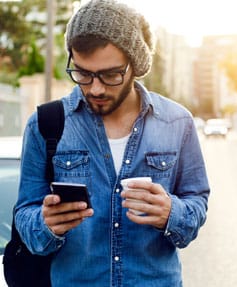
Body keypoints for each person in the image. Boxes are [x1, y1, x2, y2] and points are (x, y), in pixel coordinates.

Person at [15, 0, 210, 286]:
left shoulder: (177, 122)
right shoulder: (44, 125)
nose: (95, 88)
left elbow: (197, 203)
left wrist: (172, 213)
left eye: (110, 75)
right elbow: (24, 214)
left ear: (135, 65)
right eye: (82, 73)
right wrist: (45, 225)